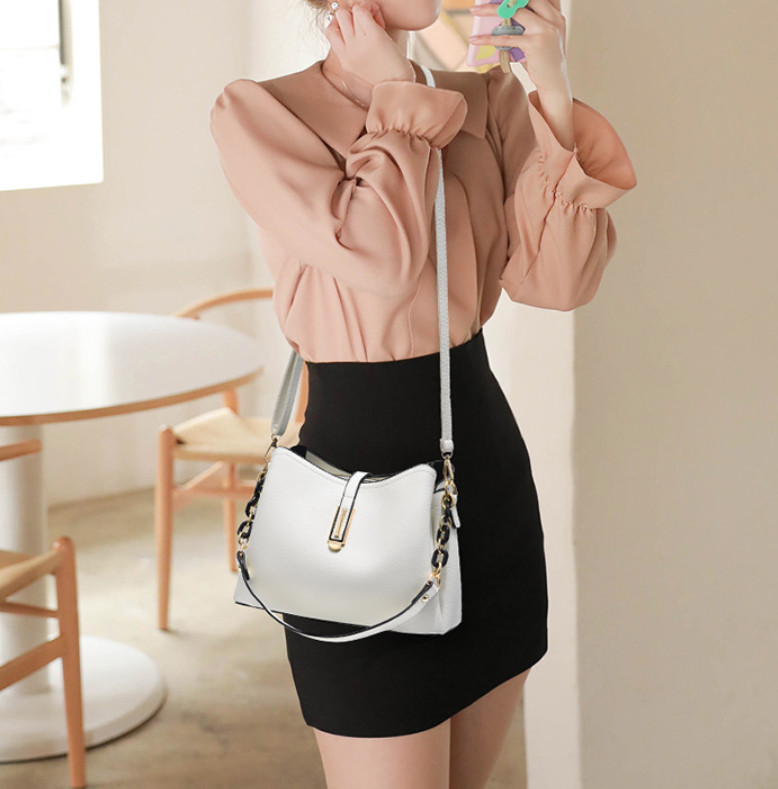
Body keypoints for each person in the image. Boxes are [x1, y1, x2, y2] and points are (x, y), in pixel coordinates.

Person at [209, 1, 637, 786]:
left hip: (486, 486)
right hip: (350, 509)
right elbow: (379, 258)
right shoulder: (261, 113)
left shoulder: (486, 101)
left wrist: (550, 88)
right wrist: (396, 97)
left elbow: (559, 280)